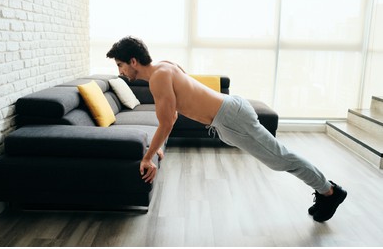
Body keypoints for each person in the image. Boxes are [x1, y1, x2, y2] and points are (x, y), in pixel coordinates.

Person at [106, 36, 347, 222]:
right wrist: (157, 146)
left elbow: (168, 120)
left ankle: (329, 192)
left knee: (280, 158)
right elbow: (174, 114)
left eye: (120, 65)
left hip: (231, 118)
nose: (121, 72)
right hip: (230, 113)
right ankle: (324, 187)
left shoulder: (158, 78)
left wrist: (147, 157)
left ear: (133, 61)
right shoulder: (165, 66)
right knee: (279, 158)